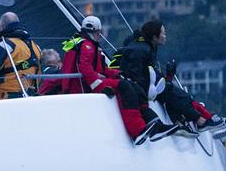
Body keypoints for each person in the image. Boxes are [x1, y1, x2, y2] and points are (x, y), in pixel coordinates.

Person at [60, 15, 180, 145]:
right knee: (125, 88)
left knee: (135, 87)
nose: (99, 35)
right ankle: (137, 130)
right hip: (88, 85)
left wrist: (118, 74)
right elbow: (86, 69)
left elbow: (102, 69)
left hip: (92, 81)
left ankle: (155, 124)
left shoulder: (90, 45)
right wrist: (99, 86)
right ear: (95, 31)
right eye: (98, 32)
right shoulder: (87, 47)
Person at [119, 20, 226, 135]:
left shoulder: (148, 47)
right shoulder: (140, 50)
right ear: (154, 37)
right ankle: (201, 121)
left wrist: (168, 77)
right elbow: (134, 74)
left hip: (148, 87)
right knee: (174, 93)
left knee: (174, 92)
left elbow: (148, 74)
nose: (165, 36)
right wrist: (150, 88)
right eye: (163, 33)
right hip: (141, 90)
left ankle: (185, 122)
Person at [0, 12, 42, 100]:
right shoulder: (35, 47)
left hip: (5, 98)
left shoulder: (4, 46)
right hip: (29, 96)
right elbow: (39, 72)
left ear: (2, 27)